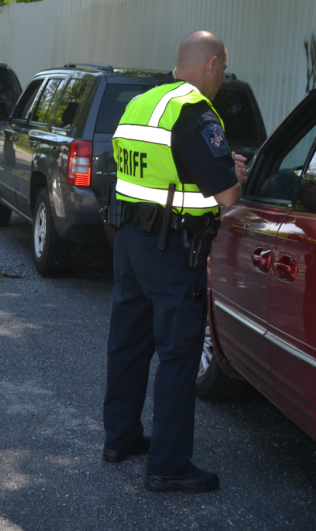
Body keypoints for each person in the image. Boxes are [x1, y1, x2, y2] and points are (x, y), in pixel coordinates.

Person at [102, 31, 248, 493]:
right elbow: (227, 195)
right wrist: (235, 173)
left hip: (129, 242)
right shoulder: (196, 113)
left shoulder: (141, 104)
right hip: (172, 249)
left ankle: (120, 439)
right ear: (211, 63)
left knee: (128, 342)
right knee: (179, 353)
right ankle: (168, 465)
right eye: (223, 69)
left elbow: (140, 170)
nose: (223, 77)